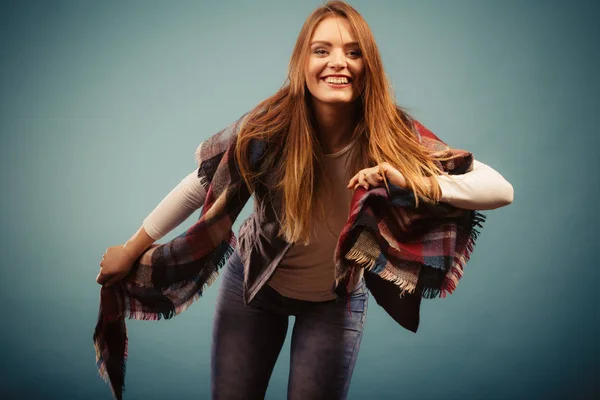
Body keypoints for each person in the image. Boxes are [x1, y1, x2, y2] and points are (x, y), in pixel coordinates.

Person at [96, 1, 513, 399]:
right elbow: (199, 186)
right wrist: (130, 249)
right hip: (254, 287)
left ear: (368, 67)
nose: (338, 62)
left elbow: (499, 189)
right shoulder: (269, 127)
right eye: (322, 50)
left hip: (334, 299)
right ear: (303, 63)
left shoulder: (392, 133)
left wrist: (410, 181)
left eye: (354, 52)